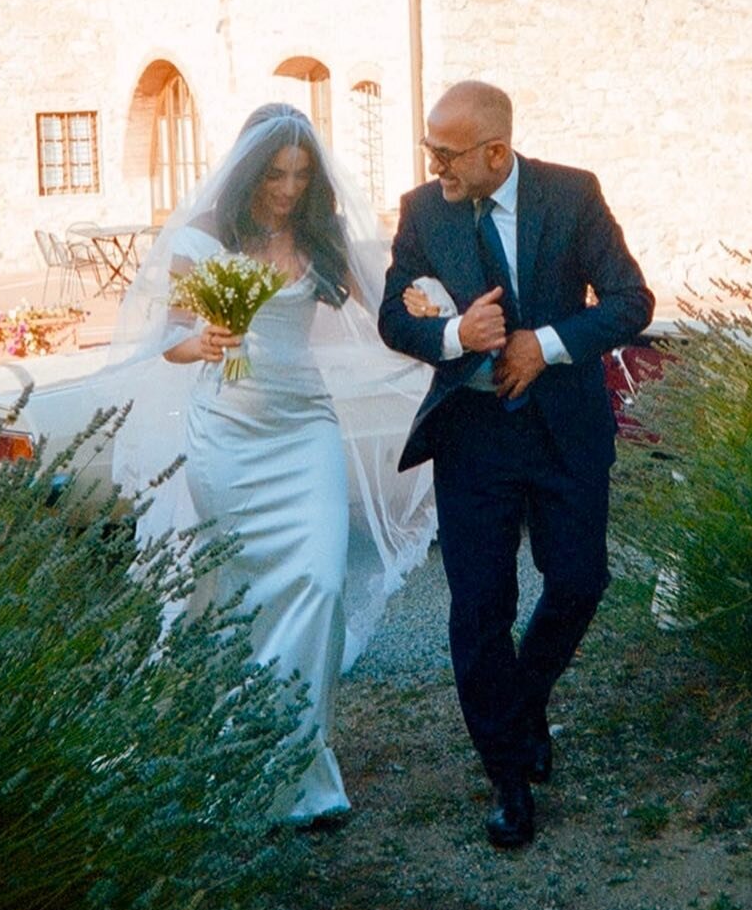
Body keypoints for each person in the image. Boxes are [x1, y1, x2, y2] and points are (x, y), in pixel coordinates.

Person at [109, 103, 434, 825]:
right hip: (226, 433)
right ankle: (247, 752)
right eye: (275, 174)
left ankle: (303, 769)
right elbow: (170, 341)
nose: (287, 189)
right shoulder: (203, 239)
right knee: (248, 596)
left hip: (304, 429)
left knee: (318, 584)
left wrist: (426, 306)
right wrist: (202, 342)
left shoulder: (320, 240)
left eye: (300, 175)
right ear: (248, 170)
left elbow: (388, 312)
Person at [378, 82, 654, 849]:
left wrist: (547, 343)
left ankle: (522, 701)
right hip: (472, 438)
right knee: (478, 608)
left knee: (578, 581)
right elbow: (393, 317)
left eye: (445, 152)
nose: (432, 164)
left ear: (495, 152)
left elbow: (631, 301)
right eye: (428, 149)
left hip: (563, 430)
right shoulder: (423, 210)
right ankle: (505, 776)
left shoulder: (571, 195)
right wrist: (456, 337)